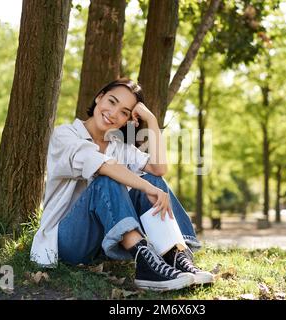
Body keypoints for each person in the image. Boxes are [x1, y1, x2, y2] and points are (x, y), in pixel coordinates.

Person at [30, 78, 214, 291]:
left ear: (129, 119)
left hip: (102, 245)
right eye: (112, 101)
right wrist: (148, 189)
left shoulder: (118, 147)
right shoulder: (66, 135)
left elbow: (158, 168)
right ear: (99, 97)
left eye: (124, 112)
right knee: (109, 178)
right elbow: (104, 166)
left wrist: (152, 120)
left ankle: (175, 255)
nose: (113, 113)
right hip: (67, 241)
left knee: (153, 180)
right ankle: (145, 264)